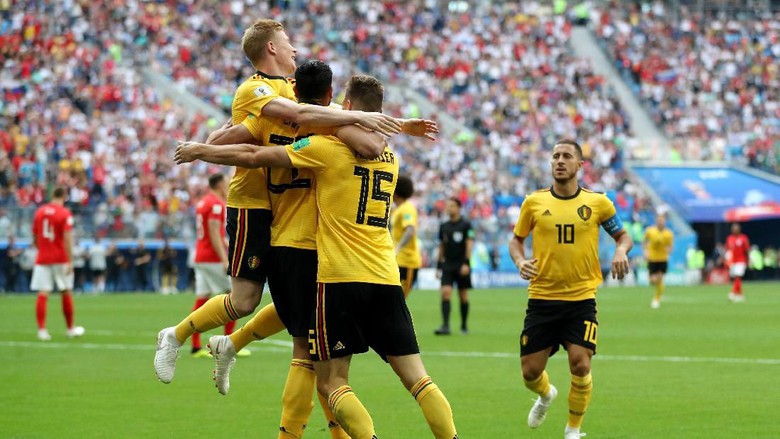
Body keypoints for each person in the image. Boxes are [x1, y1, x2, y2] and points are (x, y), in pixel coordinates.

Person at [176, 75, 457, 439]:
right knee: (419, 379)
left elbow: (253, 155)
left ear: (348, 108)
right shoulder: (391, 158)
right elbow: (369, 140)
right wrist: (396, 127)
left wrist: (201, 151)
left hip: (338, 277)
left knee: (331, 381)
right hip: (386, 275)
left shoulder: (325, 148)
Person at [153, 18, 402, 387]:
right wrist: (205, 147)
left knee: (298, 306)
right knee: (244, 300)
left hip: (295, 209)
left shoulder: (292, 88)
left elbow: (326, 122)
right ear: (271, 47)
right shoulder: (255, 90)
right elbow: (274, 128)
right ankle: (175, 335)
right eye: (287, 42)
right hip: (255, 203)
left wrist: (374, 127)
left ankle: (231, 345)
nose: (294, 49)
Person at [508, 139, 632, 439]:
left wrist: (620, 251)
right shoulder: (534, 202)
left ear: (580, 165)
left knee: (580, 363)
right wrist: (520, 260)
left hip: (581, 299)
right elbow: (516, 240)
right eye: (555, 157)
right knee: (529, 372)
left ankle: (573, 430)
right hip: (542, 299)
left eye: (566, 156)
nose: (560, 161)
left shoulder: (598, 203)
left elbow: (623, 236)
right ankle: (546, 394)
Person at [188, 174, 247, 358]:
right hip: (212, 258)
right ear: (220, 184)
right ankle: (228, 343)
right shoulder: (215, 204)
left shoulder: (203, 202)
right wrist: (224, 259)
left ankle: (196, 346)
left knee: (202, 299)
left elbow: (218, 235)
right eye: (227, 182)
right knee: (236, 298)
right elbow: (214, 233)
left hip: (200, 255)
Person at [31, 187, 86, 341]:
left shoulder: (39, 212)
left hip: (42, 257)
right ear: (64, 196)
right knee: (66, 291)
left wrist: (41, 249)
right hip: (61, 257)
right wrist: (70, 260)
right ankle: (70, 329)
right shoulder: (64, 213)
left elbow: (34, 236)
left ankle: (42, 330)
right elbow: (67, 237)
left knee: (43, 292)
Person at [435, 198, 474, 335]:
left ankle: (464, 326)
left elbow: (469, 244)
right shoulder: (443, 226)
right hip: (448, 265)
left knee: (463, 295)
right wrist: (438, 266)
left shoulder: (466, 225)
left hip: (461, 265)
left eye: (452, 206)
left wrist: (466, 263)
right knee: (445, 293)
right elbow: (441, 246)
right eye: (448, 206)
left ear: (458, 208)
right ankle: (445, 326)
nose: (449, 208)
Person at [391, 175, 422, 297]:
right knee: (392, 301)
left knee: (399, 300)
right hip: (397, 261)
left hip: (407, 262)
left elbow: (410, 230)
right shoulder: (398, 209)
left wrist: (398, 248)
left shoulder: (407, 209)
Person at [644, 213, 673, 309]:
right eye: (659, 220)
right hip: (652, 258)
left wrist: (668, 250)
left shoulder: (668, 234)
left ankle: (656, 299)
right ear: (656, 220)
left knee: (660, 278)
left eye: (662, 220)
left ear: (665, 221)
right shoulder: (650, 231)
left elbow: (670, 247)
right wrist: (645, 251)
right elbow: (645, 241)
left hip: (662, 259)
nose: (660, 222)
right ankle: (659, 292)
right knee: (653, 280)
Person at [725, 223, 749, 302]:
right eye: (733, 229)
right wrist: (726, 260)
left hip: (741, 260)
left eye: (735, 229)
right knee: (735, 278)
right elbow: (727, 250)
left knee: (738, 277)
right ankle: (740, 295)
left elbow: (747, 250)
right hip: (732, 261)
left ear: (739, 230)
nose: (734, 230)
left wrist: (748, 260)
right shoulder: (729, 238)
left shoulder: (743, 238)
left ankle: (732, 293)